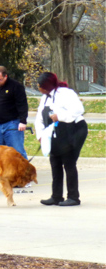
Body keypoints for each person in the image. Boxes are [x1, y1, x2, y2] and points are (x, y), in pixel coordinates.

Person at [35, 72, 88, 206]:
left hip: (75, 129)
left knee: (68, 161)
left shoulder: (65, 93)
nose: (39, 89)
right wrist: (40, 135)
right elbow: (39, 118)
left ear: (47, 85)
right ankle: (56, 196)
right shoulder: (45, 98)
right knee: (55, 160)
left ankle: (73, 197)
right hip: (57, 132)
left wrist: (60, 116)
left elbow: (78, 110)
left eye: (41, 86)